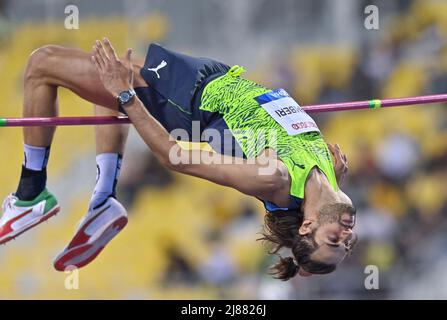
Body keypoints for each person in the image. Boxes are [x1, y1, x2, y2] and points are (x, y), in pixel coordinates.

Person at [0, 39, 357, 280]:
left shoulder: (273, 178)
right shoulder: (329, 181)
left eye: (334, 241)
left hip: (188, 100)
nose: (346, 235)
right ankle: (103, 198)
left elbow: (175, 156)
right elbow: (315, 201)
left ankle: (31, 193)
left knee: (42, 63)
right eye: (347, 242)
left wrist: (125, 95)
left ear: (308, 228)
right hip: (216, 77)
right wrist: (332, 185)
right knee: (114, 69)